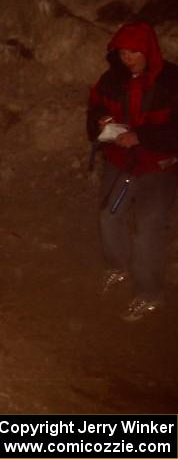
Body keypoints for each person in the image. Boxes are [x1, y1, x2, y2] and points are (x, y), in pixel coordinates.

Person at [87, 22, 178, 321]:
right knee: (110, 214)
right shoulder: (111, 80)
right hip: (124, 164)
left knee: (147, 229)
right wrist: (101, 122)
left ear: (148, 50)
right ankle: (118, 267)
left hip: (157, 165)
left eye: (134, 52)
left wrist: (142, 136)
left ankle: (149, 295)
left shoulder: (171, 81)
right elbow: (94, 112)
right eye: (123, 52)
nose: (128, 58)